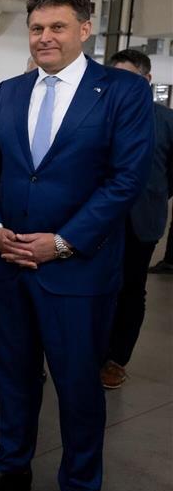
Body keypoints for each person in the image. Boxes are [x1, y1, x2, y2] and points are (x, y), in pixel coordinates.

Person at [0, 0, 154, 491]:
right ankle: (12, 466)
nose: (45, 38)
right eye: (37, 28)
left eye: (58, 28)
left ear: (85, 29)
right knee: (12, 376)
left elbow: (125, 180)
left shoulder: (120, 93)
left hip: (77, 274)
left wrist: (63, 242)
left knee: (76, 389)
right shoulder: (10, 91)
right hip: (8, 265)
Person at [100, 49, 173, 388]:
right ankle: (89, 351)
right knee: (95, 287)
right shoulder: (98, 114)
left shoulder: (166, 121)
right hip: (99, 218)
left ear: (146, 80)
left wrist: (155, 195)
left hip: (141, 220)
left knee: (131, 290)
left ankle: (116, 360)